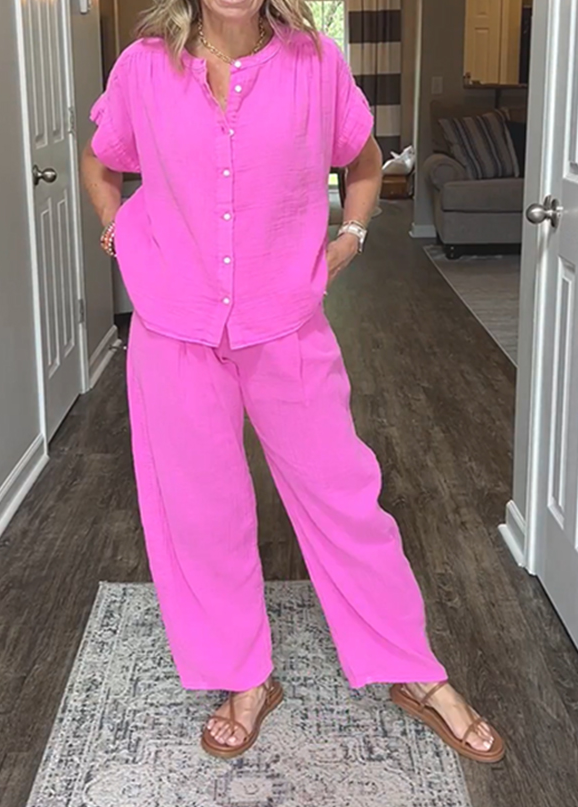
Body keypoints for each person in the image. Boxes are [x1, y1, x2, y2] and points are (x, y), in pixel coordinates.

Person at [82, 0, 505, 764]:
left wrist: (352, 234)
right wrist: (115, 225)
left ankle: (413, 668)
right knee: (201, 514)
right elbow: (101, 159)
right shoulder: (144, 68)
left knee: (344, 497)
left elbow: (365, 161)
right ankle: (244, 677)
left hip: (285, 325)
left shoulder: (316, 65)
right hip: (175, 328)